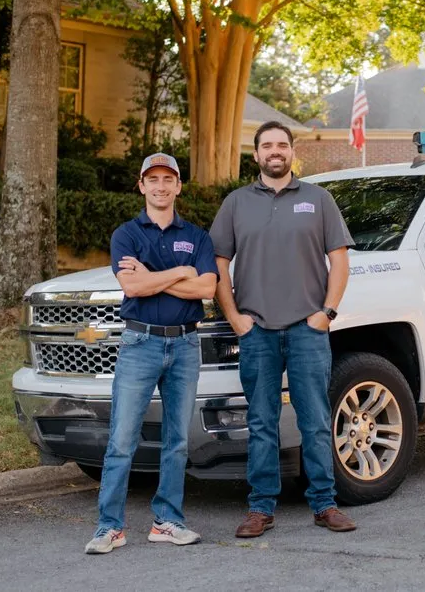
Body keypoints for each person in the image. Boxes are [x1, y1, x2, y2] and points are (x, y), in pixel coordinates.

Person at [209, 120, 357, 536]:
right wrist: (235, 318)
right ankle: (260, 508)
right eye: (266, 145)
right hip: (257, 333)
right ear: (255, 155)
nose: (275, 151)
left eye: (282, 145)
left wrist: (326, 313)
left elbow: (340, 261)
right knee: (261, 422)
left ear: (292, 152)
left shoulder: (319, 199)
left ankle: (325, 504)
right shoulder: (236, 203)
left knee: (314, 420)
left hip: (308, 330)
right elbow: (218, 265)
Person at [84, 153, 218, 555]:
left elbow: (207, 289)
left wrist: (152, 276)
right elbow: (133, 288)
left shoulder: (197, 237)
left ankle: (168, 522)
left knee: (177, 440)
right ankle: (110, 527)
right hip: (139, 344)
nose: (160, 186)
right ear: (141, 186)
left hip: (185, 344)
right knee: (122, 439)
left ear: (178, 186)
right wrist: (181, 273)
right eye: (152, 179)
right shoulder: (126, 234)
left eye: (168, 179)